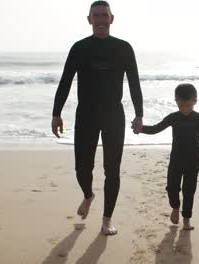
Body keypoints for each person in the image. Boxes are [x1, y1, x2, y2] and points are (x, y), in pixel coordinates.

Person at [51, 1, 143, 236]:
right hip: (86, 115)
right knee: (82, 168)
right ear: (89, 19)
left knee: (112, 170)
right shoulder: (80, 48)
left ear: (112, 19)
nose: (101, 19)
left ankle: (106, 220)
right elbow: (65, 81)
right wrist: (56, 113)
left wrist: (139, 114)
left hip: (113, 114)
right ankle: (88, 195)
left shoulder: (123, 48)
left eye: (105, 15)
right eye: (96, 15)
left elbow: (134, 82)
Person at [137, 83, 199, 230]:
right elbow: (156, 129)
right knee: (171, 188)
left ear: (195, 102)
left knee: (189, 191)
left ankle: (186, 220)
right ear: (176, 101)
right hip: (176, 161)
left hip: (193, 162)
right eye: (181, 106)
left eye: (188, 105)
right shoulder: (173, 117)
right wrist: (141, 129)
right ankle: (175, 207)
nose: (185, 109)